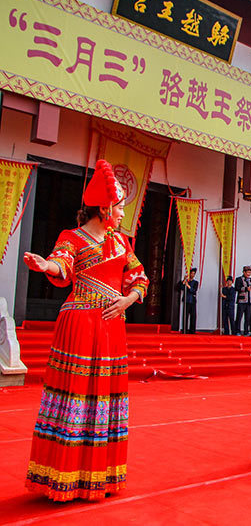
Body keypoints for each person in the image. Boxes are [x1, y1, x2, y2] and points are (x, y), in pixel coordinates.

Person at [23, 159, 149, 501]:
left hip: (111, 326)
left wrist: (128, 300)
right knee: (75, 395)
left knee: (104, 397)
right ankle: (62, 477)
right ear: (104, 208)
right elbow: (60, 263)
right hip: (80, 324)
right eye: (120, 207)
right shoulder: (72, 237)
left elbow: (139, 277)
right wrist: (45, 264)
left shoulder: (123, 243)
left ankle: (98, 477)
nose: (123, 213)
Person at [176, 267, 198, 333]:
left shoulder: (195, 282)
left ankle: (192, 330)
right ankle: (184, 329)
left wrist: (188, 286)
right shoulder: (186, 281)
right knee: (185, 316)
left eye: (194, 274)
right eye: (192, 273)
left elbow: (194, 291)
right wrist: (184, 280)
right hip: (186, 300)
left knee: (193, 316)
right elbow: (180, 288)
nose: (193, 275)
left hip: (192, 301)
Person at [234, 265, 251, 335]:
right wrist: (245, 289)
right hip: (242, 301)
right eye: (247, 273)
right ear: (244, 272)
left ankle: (246, 331)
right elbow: (237, 288)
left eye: (250, 273)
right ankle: (237, 331)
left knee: (248, 318)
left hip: (249, 301)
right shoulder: (239, 279)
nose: (249, 274)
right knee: (239, 317)